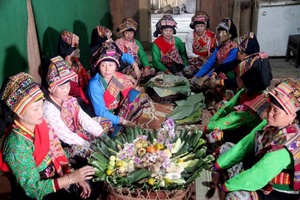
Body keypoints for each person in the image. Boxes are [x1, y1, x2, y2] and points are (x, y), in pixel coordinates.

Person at [0, 72, 101, 200]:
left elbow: (58, 152)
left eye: (41, 105)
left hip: (54, 178)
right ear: (19, 112)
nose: (41, 112)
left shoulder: (42, 124)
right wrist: (70, 178)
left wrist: (73, 177)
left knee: (94, 183)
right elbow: (33, 190)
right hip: (37, 194)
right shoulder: (16, 144)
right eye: (35, 109)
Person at [211, 79, 300, 199]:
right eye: (269, 107)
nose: (269, 113)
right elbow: (245, 144)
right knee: (226, 148)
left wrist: (226, 187)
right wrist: (217, 166)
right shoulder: (268, 124)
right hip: (258, 170)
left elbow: (259, 174)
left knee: (235, 197)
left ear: (292, 115)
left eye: (276, 111)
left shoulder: (288, 143)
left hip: (275, 191)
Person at [43, 56, 110, 168]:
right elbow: (64, 135)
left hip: (76, 132)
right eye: (62, 88)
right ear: (51, 89)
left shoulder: (70, 100)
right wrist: (87, 144)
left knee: (104, 123)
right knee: (87, 152)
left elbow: (83, 118)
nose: (66, 90)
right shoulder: (48, 109)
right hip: (64, 144)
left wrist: (101, 134)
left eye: (68, 86)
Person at [205, 44, 273, 144]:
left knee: (214, 136)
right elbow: (229, 105)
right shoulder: (251, 90)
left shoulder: (248, 109)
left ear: (244, 80)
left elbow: (228, 121)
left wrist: (208, 127)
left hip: (250, 136)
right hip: (245, 122)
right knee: (222, 105)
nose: (236, 78)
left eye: (238, 75)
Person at [88, 45, 151, 137]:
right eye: (103, 65)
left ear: (116, 66)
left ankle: (125, 124)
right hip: (100, 116)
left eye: (111, 65)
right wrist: (122, 121)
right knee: (110, 133)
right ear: (98, 66)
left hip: (115, 110)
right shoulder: (94, 84)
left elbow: (129, 89)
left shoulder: (117, 76)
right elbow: (100, 111)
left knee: (138, 96)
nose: (107, 69)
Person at [58, 30, 94, 116]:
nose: (79, 50)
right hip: (72, 99)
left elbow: (86, 78)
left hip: (84, 93)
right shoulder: (63, 68)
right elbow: (73, 91)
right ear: (69, 50)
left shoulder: (76, 62)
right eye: (76, 48)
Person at [192, 18, 238, 86]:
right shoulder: (219, 48)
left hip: (228, 74)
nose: (220, 34)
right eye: (219, 32)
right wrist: (196, 76)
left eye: (223, 32)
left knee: (207, 83)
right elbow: (209, 63)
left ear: (230, 34)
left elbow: (224, 67)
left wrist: (204, 78)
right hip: (217, 71)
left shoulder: (234, 49)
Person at [184, 11, 217, 77]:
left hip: (209, 59)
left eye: (202, 26)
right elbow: (189, 53)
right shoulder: (190, 35)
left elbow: (215, 51)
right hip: (195, 59)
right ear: (194, 26)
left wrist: (208, 61)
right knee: (188, 71)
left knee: (213, 69)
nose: (199, 29)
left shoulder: (212, 36)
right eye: (197, 26)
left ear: (206, 25)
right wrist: (201, 58)